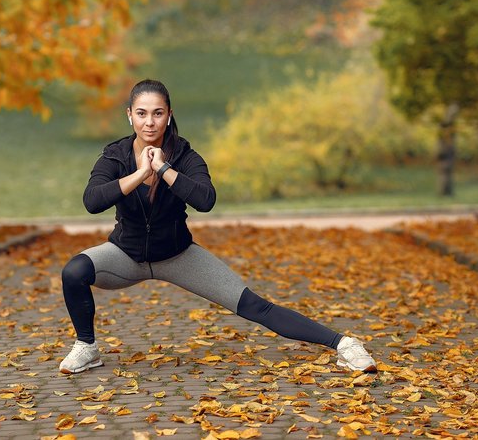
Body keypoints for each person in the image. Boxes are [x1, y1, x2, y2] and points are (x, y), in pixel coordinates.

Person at [58, 79, 376, 375]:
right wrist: (140, 174)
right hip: (124, 255)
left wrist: (163, 169)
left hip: (177, 255)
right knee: (74, 272)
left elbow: (206, 199)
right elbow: (92, 200)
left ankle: (345, 344)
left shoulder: (185, 156)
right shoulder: (115, 156)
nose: (149, 122)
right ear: (130, 116)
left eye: (157, 113)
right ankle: (87, 347)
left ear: (169, 116)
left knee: (254, 305)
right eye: (141, 113)